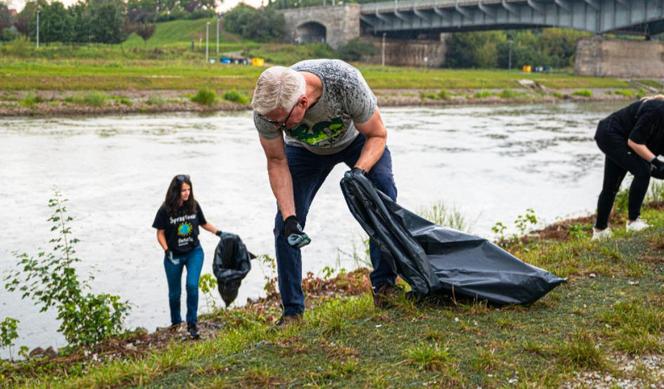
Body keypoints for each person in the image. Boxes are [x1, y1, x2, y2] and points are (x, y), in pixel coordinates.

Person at [251, 59, 399, 324]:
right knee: (284, 226)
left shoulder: (345, 83)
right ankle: (292, 313)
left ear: (303, 104)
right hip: (305, 151)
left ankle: (385, 287)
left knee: (383, 201)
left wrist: (359, 172)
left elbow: (378, 135)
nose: (278, 128)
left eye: (282, 123)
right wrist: (290, 218)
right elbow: (276, 161)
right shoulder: (267, 112)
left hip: (356, 141)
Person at [152, 174, 222, 339]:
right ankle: (176, 323)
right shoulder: (165, 210)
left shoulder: (194, 205)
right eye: (183, 190)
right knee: (174, 294)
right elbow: (160, 233)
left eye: (189, 189)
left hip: (194, 252)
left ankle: (192, 323)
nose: (187, 193)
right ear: (175, 191)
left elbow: (204, 223)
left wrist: (220, 233)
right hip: (173, 256)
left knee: (192, 285)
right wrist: (166, 249)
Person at [593, 95, 664, 240]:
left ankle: (600, 231)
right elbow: (634, 142)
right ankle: (633, 222)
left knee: (611, 187)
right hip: (610, 134)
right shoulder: (656, 110)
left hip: (622, 138)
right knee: (642, 172)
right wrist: (657, 163)